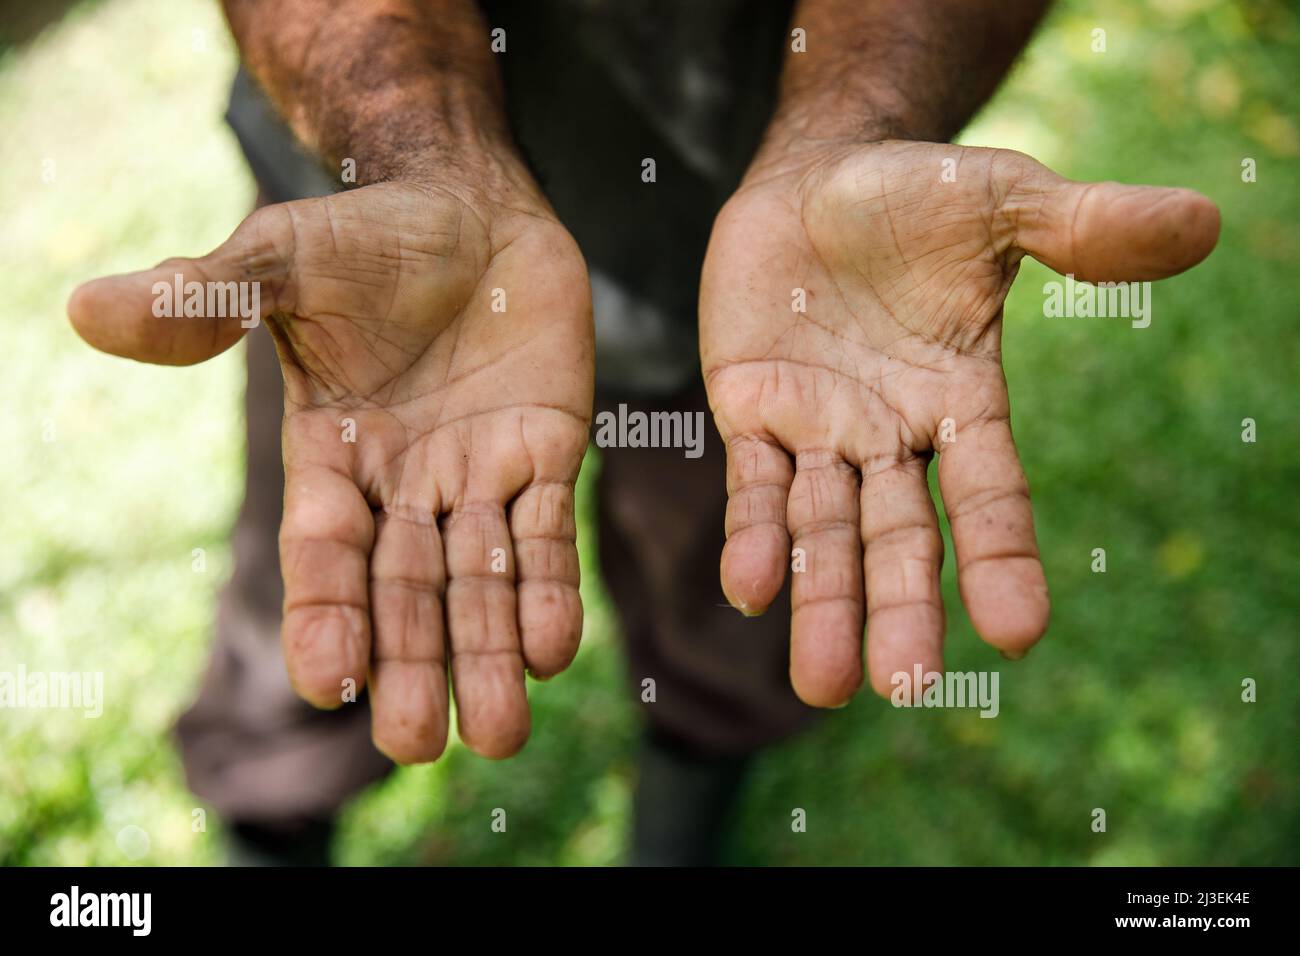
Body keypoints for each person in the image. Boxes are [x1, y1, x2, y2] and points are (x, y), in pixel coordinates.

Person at [67, 0, 1219, 866]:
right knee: (333, 586)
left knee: (739, 587)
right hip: (382, 262)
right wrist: (422, 154)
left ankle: (684, 811)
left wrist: (853, 128)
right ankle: (274, 818)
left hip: (780, 270)